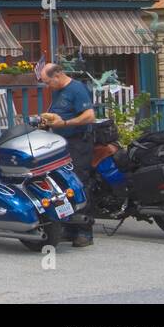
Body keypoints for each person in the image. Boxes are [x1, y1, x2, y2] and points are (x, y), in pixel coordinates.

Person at [36, 63, 96, 247]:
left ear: (58, 75)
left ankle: (85, 231)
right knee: (61, 185)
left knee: (79, 182)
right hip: (60, 143)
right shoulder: (57, 91)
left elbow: (89, 116)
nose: (48, 86)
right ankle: (68, 227)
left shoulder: (77, 89)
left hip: (78, 141)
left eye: (48, 82)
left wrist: (66, 123)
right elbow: (58, 114)